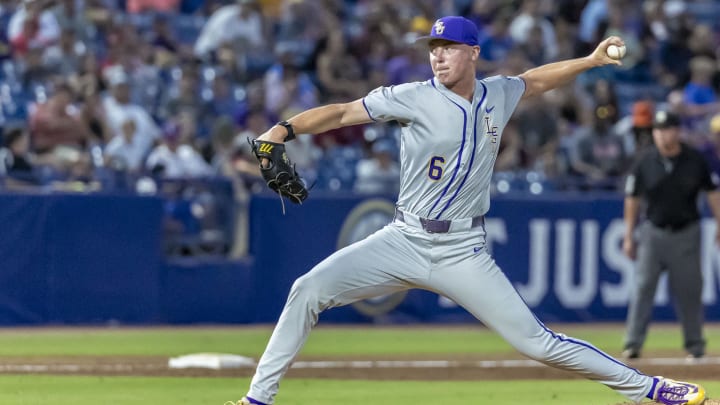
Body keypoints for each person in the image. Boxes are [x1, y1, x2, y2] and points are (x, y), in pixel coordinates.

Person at [228, 16, 707, 405]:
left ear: (473, 52)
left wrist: (589, 60)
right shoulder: (411, 96)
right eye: (433, 47)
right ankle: (256, 402)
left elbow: (534, 81)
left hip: (462, 249)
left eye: (449, 46)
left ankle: (652, 388)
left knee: (537, 342)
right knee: (306, 290)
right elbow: (340, 113)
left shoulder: (497, 93)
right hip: (403, 238)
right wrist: (281, 131)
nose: (437, 54)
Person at [621, 109, 720, 361]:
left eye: (667, 129)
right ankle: (633, 344)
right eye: (658, 130)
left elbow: (712, 193)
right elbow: (632, 198)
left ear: (677, 131)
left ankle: (695, 346)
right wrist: (629, 235)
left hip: (686, 233)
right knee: (643, 288)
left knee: (690, 290)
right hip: (653, 232)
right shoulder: (645, 161)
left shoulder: (694, 159)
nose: (663, 135)